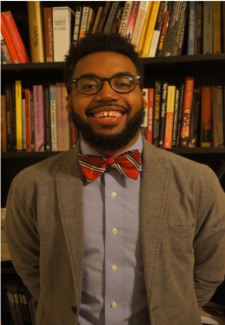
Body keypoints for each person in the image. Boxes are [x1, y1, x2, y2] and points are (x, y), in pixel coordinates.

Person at [5, 32, 225, 325]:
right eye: (89, 85)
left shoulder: (199, 180)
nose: (107, 94)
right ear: (68, 101)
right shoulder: (29, 184)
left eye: (123, 83)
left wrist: (174, 309)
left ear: (143, 97)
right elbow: (31, 268)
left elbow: (210, 270)